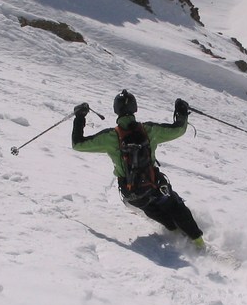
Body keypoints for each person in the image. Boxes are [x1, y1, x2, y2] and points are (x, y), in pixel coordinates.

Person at [72, 90, 204, 248]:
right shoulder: (149, 130)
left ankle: (174, 230)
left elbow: (78, 144)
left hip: (131, 193)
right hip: (154, 184)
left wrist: (80, 117)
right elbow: (179, 129)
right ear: (135, 108)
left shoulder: (110, 137)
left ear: (116, 110)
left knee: (150, 208)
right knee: (174, 204)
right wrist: (182, 111)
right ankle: (197, 241)